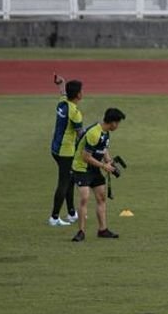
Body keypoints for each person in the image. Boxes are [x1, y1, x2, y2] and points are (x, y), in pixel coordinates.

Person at [71, 107, 125, 242]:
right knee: (84, 198)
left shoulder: (105, 132)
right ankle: (81, 232)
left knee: (101, 198)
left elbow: (104, 149)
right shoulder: (94, 133)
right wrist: (103, 166)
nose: (117, 126)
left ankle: (103, 230)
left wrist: (109, 162)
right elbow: (85, 157)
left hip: (94, 169)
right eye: (117, 123)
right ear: (112, 122)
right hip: (82, 168)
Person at [49, 76, 84, 226]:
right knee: (64, 182)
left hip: (55, 148)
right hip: (66, 151)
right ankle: (54, 217)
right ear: (78, 95)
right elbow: (80, 135)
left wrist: (61, 83)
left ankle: (71, 213)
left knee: (70, 179)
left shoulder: (62, 103)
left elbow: (62, 92)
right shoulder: (75, 112)